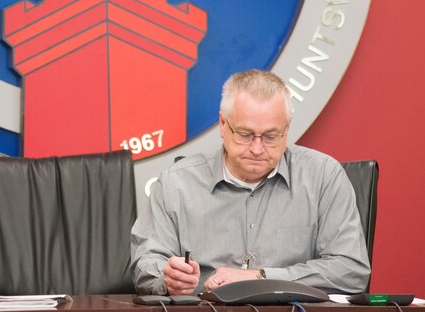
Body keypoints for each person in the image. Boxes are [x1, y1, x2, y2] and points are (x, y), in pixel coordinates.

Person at [130, 69, 370, 295]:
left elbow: (350, 269)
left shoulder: (324, 177)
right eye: (245, 135)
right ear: (223, 125)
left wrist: (262, 277)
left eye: (270, 136)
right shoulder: (177, 183)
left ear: (286, 130)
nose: (257, 148)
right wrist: (167, 276)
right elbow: (145, 264)